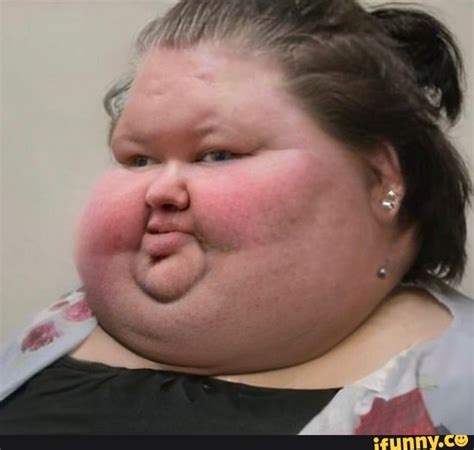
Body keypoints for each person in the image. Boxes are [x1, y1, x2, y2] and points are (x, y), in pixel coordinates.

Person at [0, 0, 472, 435]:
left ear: (380, 179)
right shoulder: (62, 324)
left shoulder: (454, 397)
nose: (158, 189)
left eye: (218, 154)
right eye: (139, 159)